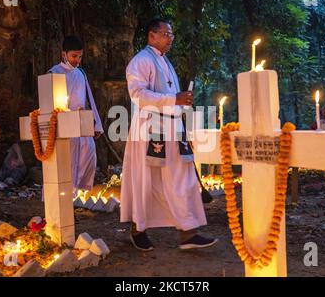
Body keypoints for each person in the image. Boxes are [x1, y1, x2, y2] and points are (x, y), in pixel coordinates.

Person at [120, 18, 218, 251]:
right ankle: (138, 228)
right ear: (151, 36)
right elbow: (137, 95)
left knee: (181, 178)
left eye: (171, 34)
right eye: (166, 34)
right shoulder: (141, 61)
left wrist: (181, 104)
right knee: (146, 179)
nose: (170, 38)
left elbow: (171, 97)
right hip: (150, 129)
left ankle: (188, 232)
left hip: (174, 128)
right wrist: (173, 99)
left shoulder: (166, 62)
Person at [48, 35, 103, 198]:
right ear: (63, 54)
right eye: (74, 56)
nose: (77, 60)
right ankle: (63, 199)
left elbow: (89, 99)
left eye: (80, 56)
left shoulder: (80, 74)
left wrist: (96, 124)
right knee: (67, 164)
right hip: (62, 126)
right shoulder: (54, 73)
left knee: (88, 156)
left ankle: (77, 197)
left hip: (81, 124)